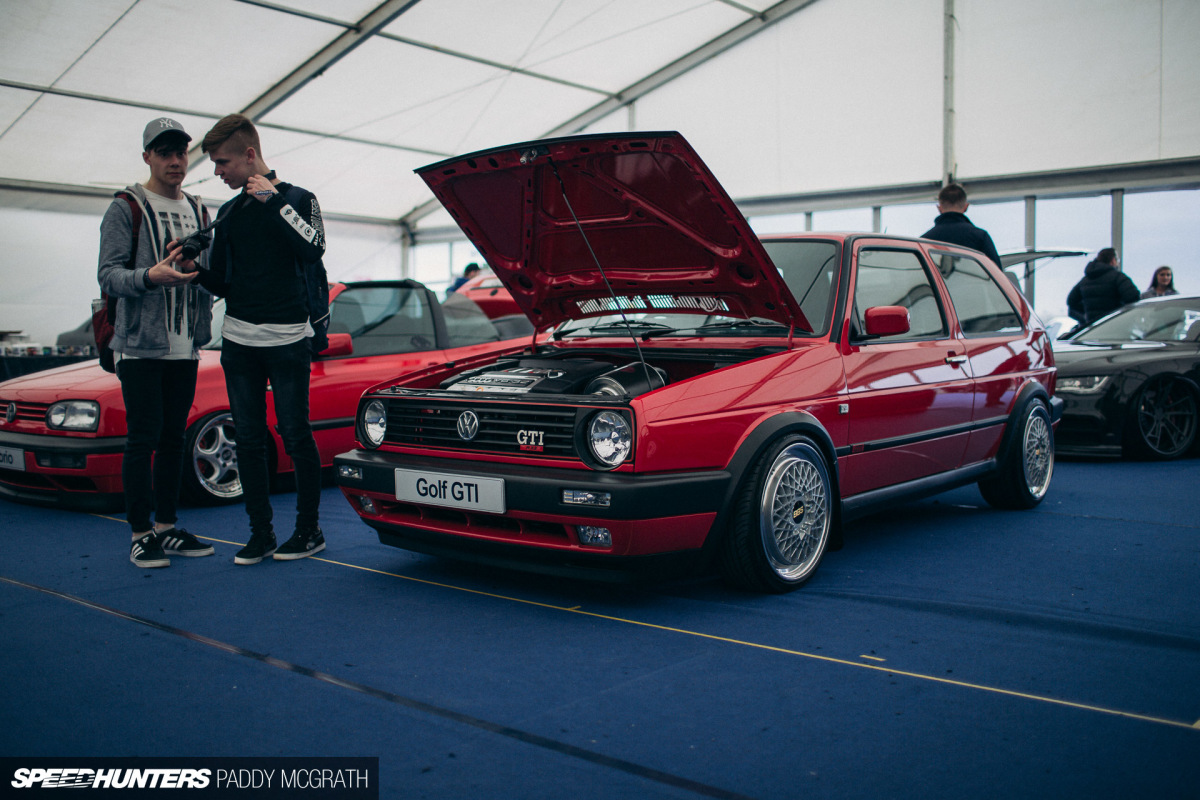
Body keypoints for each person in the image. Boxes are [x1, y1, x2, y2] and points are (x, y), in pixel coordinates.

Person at [192, 113, 326, 565]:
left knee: (294, 433)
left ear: (250, 155)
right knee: (247, 438)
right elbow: (225, 284)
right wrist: (194, 270)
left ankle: (309, 531)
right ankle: (261, 533)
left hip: (288, 338)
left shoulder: (300, 198)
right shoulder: (228, 212)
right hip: (238, 341)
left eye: (222, 161)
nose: (217, 171)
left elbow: (312, 249)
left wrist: (273, 202)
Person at [98, 117, 215, 568]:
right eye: (164, 152)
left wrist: (197, 267)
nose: (175, 161)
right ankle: (140, 532)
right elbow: (108, 274)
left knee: (172, 439)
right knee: (142, 438)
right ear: (147, 156)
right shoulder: (126, 206)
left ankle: (166, 527)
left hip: (185, 345)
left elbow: (209, 272)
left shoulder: (201, 210)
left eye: (181, 152)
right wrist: (150, 276)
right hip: (140, 346)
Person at [921, 183, 1002, 268]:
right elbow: (996, 271)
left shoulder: (924, 241)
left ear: (939, 208)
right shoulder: (980, 237)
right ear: (966, 207)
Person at [1066, 248, 1139, 326]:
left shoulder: (1085, 280)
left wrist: (1087, 312)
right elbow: (1133, 297)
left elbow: (1071, 301)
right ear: (1113, 260)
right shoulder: (1117, 277)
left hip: (1092, 326)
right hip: (1114, 324)